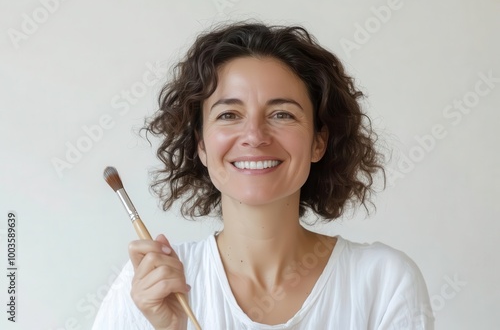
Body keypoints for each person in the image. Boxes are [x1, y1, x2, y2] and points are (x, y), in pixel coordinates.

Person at [93, 22, 434, 329]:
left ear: (318, 141)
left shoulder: (385, 282)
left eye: (282, 114)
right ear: (201, 145)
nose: (255, 136)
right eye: (229, 114)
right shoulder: (149, 286)